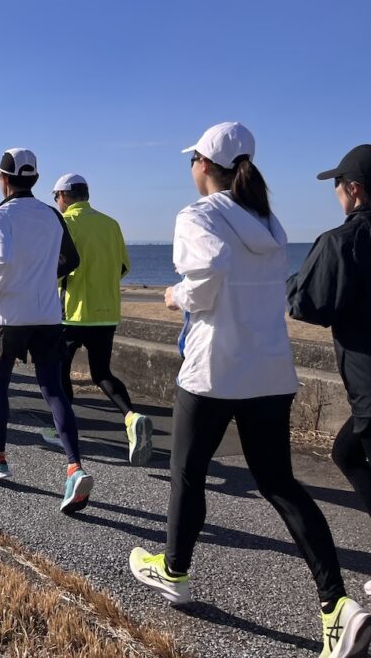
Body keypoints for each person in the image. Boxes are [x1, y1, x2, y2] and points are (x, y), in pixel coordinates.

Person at [128, 123, 369, 658]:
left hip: (214, 371)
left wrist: (174, 296)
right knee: (280, 483)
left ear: (204, 167)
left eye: (192, 160)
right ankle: (336, 605)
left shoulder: (196, 215)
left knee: (188, 474)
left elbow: (208, 276)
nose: (190, 168)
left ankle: (176, 573)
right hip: (270, 372)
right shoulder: (269, 222)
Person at [0, 148, 93, 516]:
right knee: (53, 388)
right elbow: (71, 260)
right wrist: (42, 276)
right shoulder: (52, 215)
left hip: (10, 315)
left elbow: (3, 261)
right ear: (36, 180)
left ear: (3, 179)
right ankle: (74, 466)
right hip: (47, 314)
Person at [286, 144, 371, 598]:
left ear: (354, 190)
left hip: (369, 384)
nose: (337, 194)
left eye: (338, 186)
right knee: (345, 453)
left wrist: (282, 284)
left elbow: (310, 303)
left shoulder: (345, 240)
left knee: (351, 454)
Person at [51, 173, 151, 466]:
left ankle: (63, 430)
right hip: (106, 313)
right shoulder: (111, 224)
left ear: (64, 196)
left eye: (56, 196)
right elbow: (122, 267)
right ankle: (132, 418)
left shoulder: (64, 224)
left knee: (60, 372)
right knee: (101, 373)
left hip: (72, 312)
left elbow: (56, 267)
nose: (57, 202)